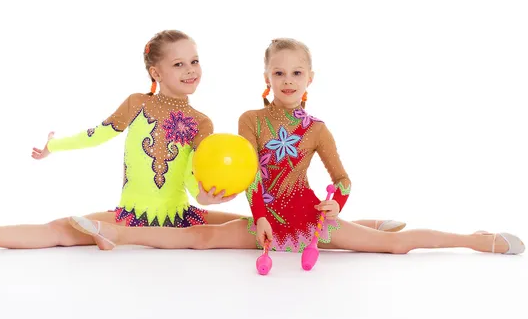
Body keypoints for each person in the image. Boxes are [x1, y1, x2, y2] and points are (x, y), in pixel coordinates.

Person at [66, 38, 524, 256]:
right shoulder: (250, 120)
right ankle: (120, 233)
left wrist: (334, 203)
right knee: (200, 237)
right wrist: (261, 217)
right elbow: (250, 177)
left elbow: (343, 179)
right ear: (267, 79)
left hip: (306, 217)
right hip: (267, 218)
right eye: (278, 73)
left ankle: (476, 240)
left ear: (309, 79)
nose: (287, 81)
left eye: (296, 73)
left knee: (394, 248)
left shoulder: (318, 129)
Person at [0, 30, 243, 253]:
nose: (191, 70)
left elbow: (191, 177)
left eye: (195, 61)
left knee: (247, 224)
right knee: (61, 229)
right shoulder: (138, 103)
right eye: (179, 64)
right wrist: (56, 145)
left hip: (174, 221)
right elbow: (97, 134)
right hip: (131, 216)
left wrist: (205, 197)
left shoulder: (201, 122)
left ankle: (288, 234)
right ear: (155, 72)